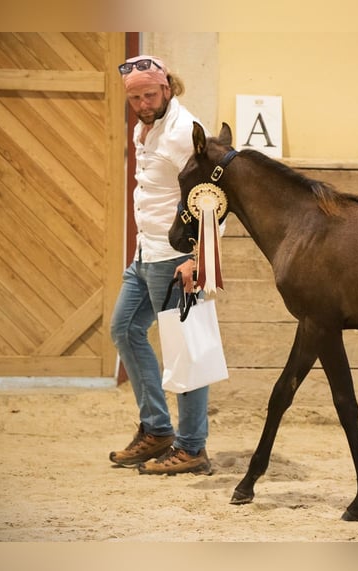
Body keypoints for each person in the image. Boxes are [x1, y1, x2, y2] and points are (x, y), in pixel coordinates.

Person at [109, 55, 211, 476]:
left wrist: (197, 258)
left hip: (176, 259)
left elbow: (211, 198)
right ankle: (157, 429)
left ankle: (192, 447)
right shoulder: (142, 129)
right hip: (145, 252)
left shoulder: (187, 133)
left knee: (186, 349)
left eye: (149, 94)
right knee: (125, 329)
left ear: (167, 86)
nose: (143, 104)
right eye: (135, 98)